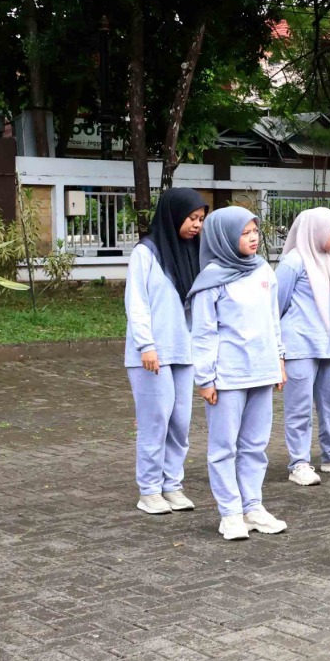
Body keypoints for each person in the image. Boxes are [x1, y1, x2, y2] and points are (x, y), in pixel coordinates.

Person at [188, 206, 287, 541]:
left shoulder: (264, 271)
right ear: (224, 237)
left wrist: (279, 361)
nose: (253, 238)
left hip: (262, 371)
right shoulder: (212, 278)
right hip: (228, 375)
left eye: (254, 231)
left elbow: (274, 321)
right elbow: (203, 332)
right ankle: (230, 513)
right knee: (223, 447)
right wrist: (205, 378)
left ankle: (253, 506)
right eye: (245, 233)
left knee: (255, 446)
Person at [124, 188, 207, 515]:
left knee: (180, 422)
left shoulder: (194, 253)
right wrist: (146, 345)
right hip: (152, 354)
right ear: (173, 214)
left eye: (201, 219)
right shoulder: (146, 254)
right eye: (191, 218)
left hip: (184, 352)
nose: (196, 225)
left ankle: (172, 484)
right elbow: (137, 303)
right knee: (155, 421)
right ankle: (149, 489)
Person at [275, 207, 330, 486]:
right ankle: (299, 462)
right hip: (299, 344)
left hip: (328, 344)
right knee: (299, 407)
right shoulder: (294, 261)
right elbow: (276, 302)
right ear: (315, 231)